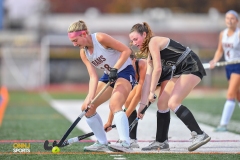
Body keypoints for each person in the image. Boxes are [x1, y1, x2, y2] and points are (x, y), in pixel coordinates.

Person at [129, 22, 211, 152]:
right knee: (162, 103)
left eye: (135, 39)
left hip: (191, 66)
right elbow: (148, 79)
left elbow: (158, 69)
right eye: (132, 40)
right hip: (180, 71)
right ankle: (161, 142)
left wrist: (151, 92)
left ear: (144, 35)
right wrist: (143, 104)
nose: (134, 43)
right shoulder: (149, 54)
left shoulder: (153, 42)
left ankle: (199, 134)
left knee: (173, 102)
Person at [67, 20, 136, 152]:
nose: (74, 44)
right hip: (108, 75)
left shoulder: (100, 38)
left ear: (84, 34)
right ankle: (102, 142)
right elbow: (93, 76)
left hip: (125, 71)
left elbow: (126, 50)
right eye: (72, 42)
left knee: (115, 104)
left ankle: (125, 143)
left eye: (76, 40)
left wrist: (115, 68)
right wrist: (90, 98)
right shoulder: (84, 52)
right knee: (87, 108)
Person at [104, 51, 171, 148]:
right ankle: (132, 139)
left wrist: (123, 118)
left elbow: (139, 94)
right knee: (127, 102)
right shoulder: (121, 70)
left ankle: (163, 140)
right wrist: (109, 121)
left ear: (134, 59)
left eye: (127, 61)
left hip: (164, 77)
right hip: (149, 84)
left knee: (163, 105)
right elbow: (115, 101)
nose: (125, 64)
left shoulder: (142, 64)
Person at [209, 10, 240, 132]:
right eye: (227, 18)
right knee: (238, 95)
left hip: (238, 66)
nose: (229, 20)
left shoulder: (238, 34)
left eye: (232, 18)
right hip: (228, 66)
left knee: (230, 94)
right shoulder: (223, 34)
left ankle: (223, 124)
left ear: (237, 21)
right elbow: (220, 50)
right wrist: (214, 60)